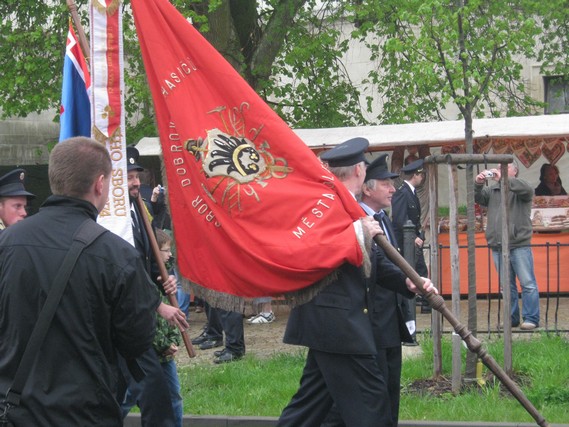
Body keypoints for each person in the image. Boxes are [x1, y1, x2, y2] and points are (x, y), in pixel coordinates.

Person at [0, 137, 160, 426]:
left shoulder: (7, 243)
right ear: (100, 184)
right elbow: (138, 340)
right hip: (85, 412)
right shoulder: (118, 255)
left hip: (16, 409)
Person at [277, 138, 436, 427]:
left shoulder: (345, 206)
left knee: (309, 409)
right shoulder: (328, 205)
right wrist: (359, 234)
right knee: (372, 408)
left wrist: (408, 281)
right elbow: (311, 253)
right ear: (360, 173)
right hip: (337, 323)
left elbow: (372, 262)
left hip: (333, 324)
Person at [120, 146, 189, 426]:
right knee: (126, 394)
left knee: (163, 394)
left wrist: (165, 278)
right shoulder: (113, 219)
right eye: (128, 176)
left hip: (148, 316)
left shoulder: (141, 208)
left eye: (136, 175)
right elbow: (124, 275)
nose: (135, 181)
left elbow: (148, 263)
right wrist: (158, 304)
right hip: (129, 319)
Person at [359, 153, 415, 426]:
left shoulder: (383, 218)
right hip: (372, 322)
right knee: (377, 394)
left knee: (392, 390)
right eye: (386, 183)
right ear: (367, 188)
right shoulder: (360, 220)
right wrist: (407, 280)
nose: (393, 189)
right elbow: (377, 269)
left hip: (391, 321)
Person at [475, 161, 540, 330]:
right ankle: (511, 319)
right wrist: (478, 183)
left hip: (518, 244)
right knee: (507, 285)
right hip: (497, 244)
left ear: (515, 171)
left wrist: (503, 178)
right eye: (498, 166)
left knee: (527, 283)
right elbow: (479, 198)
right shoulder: (493, 189)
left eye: (505, 166)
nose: (499, 169)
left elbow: (527, 190)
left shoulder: (522, 187)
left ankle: (531, 318)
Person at [391, 158, 429, 343]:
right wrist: (412, 236)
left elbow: (416, 218)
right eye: (421, 175)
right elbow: (399, 219)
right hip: (405, 243)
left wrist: (420, 234)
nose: (423, 178)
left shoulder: (411, 193)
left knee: (420, 270)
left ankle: (424, 302)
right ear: (416, 175)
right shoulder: (402, 193)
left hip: (414, 240)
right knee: (416, 271)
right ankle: (420, 302)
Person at [154, 228, 184, 426]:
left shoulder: (166, 280)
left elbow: (172, 313)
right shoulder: (148, 281)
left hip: (165, 354)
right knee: (127, 397)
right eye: (165, 250)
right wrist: (162, 343)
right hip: (151, 351)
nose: (170, 254)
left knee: (174, 398)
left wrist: (173, 340)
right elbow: (149, 318)